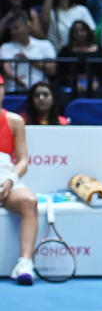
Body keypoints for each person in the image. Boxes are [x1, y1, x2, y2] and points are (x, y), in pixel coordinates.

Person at [0, 75, 39, 285]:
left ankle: (25, 263)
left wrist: (10, 181)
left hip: (6, 178)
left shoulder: (14, 121)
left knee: (30, 202)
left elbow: (24, 159)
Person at [0, 12, 57, 93]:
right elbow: (6, 67)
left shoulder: (45, 45)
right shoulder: (5, 47)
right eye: (10, 29)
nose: (12, 32)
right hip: (14, 91)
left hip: (40, 91)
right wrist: (16, 79)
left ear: (27, 28)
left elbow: (51, 70)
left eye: (16, 28)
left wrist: (28, 60)